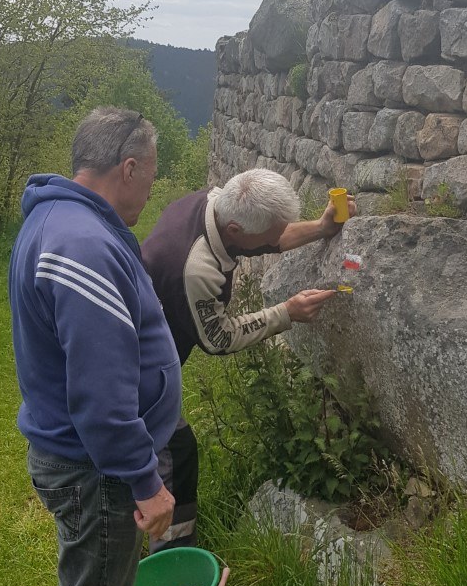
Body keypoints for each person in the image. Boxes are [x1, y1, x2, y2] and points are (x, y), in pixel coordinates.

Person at [5, 107, 187, 586]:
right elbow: (102, 397)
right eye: (152, 174)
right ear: (128, 168)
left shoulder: (65, 221)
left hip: (85, 461)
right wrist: (146, 481)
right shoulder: (81, 245)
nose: (152, 189)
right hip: (95, 467)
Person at [140, 168, 355, 551]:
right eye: (269, 235)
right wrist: (286, 313)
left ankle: (169, 537)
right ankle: (173, 556)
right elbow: (219, 338)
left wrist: (321, 228)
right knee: (172, 452)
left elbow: (267, 238)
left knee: (177, 449)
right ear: (236, 229)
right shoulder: (195, 268)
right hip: (138, 374)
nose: (274, 241)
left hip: (149, 352)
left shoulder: (216, 203)